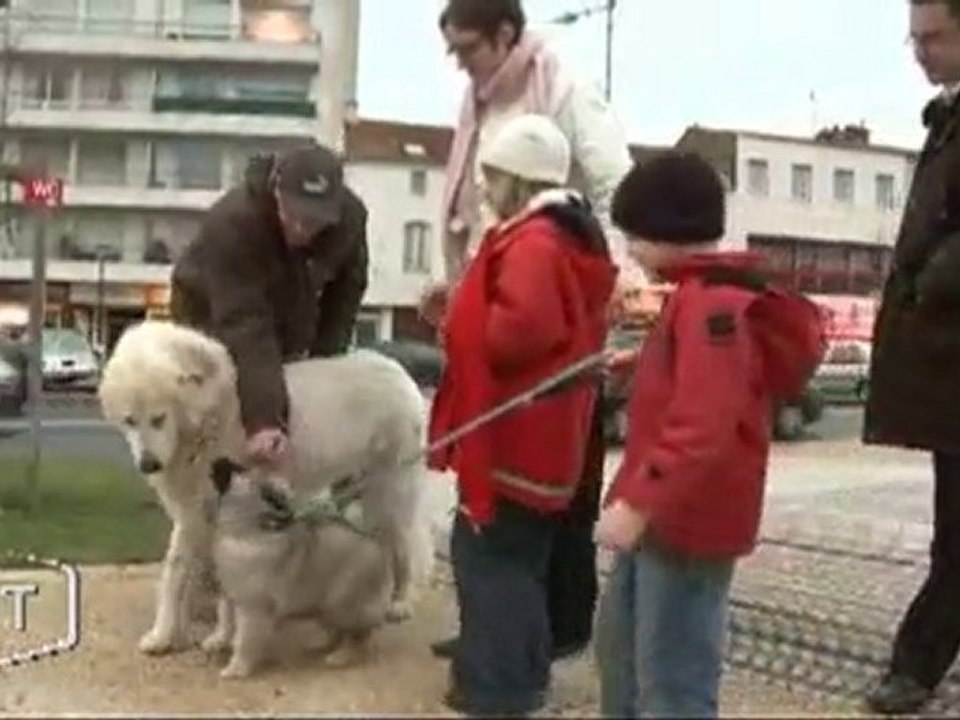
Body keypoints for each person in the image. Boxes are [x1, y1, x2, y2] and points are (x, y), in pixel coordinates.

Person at [426, 0, 635, 665]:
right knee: (495, 492)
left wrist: (607, 282)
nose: (459, 62)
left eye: (468, 47)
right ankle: (498, 632)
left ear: (506, 34)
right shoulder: (480, 104)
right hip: (502, 299)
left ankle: (555, 626)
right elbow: (476, 211)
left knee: (550, 489)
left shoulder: (565, 91)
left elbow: (614, 185)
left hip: (554, 320)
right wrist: (461, 292)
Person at [592, 152, 825, 718]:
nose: (631, 253)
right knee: (620, 650)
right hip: (664, 518)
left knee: (673, 679)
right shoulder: (694, 298)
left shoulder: (710, 306)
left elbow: (705, 419)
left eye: (635, 238)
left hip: (686, 523)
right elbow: (704, 384)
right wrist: (643, 365)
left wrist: (638, 502)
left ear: (668, 231)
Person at [863, 0, 960, 714]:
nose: (919, 51)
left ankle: (917, 664)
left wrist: (931, 282)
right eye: (913, 38)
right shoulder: (948, 118)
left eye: (933, 37)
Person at [169, 145, 369, 466]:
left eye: (314, 221)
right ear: (276, 191)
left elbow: (345, 296)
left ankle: (273, 458)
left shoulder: (349, 221)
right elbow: (246, 325)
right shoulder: (233, 222)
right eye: (294, 215)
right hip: (208, 307)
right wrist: (264, 421)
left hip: (284, 302)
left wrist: (324, 366)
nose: (301, 230)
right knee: (227, 400)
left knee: (288, 387)